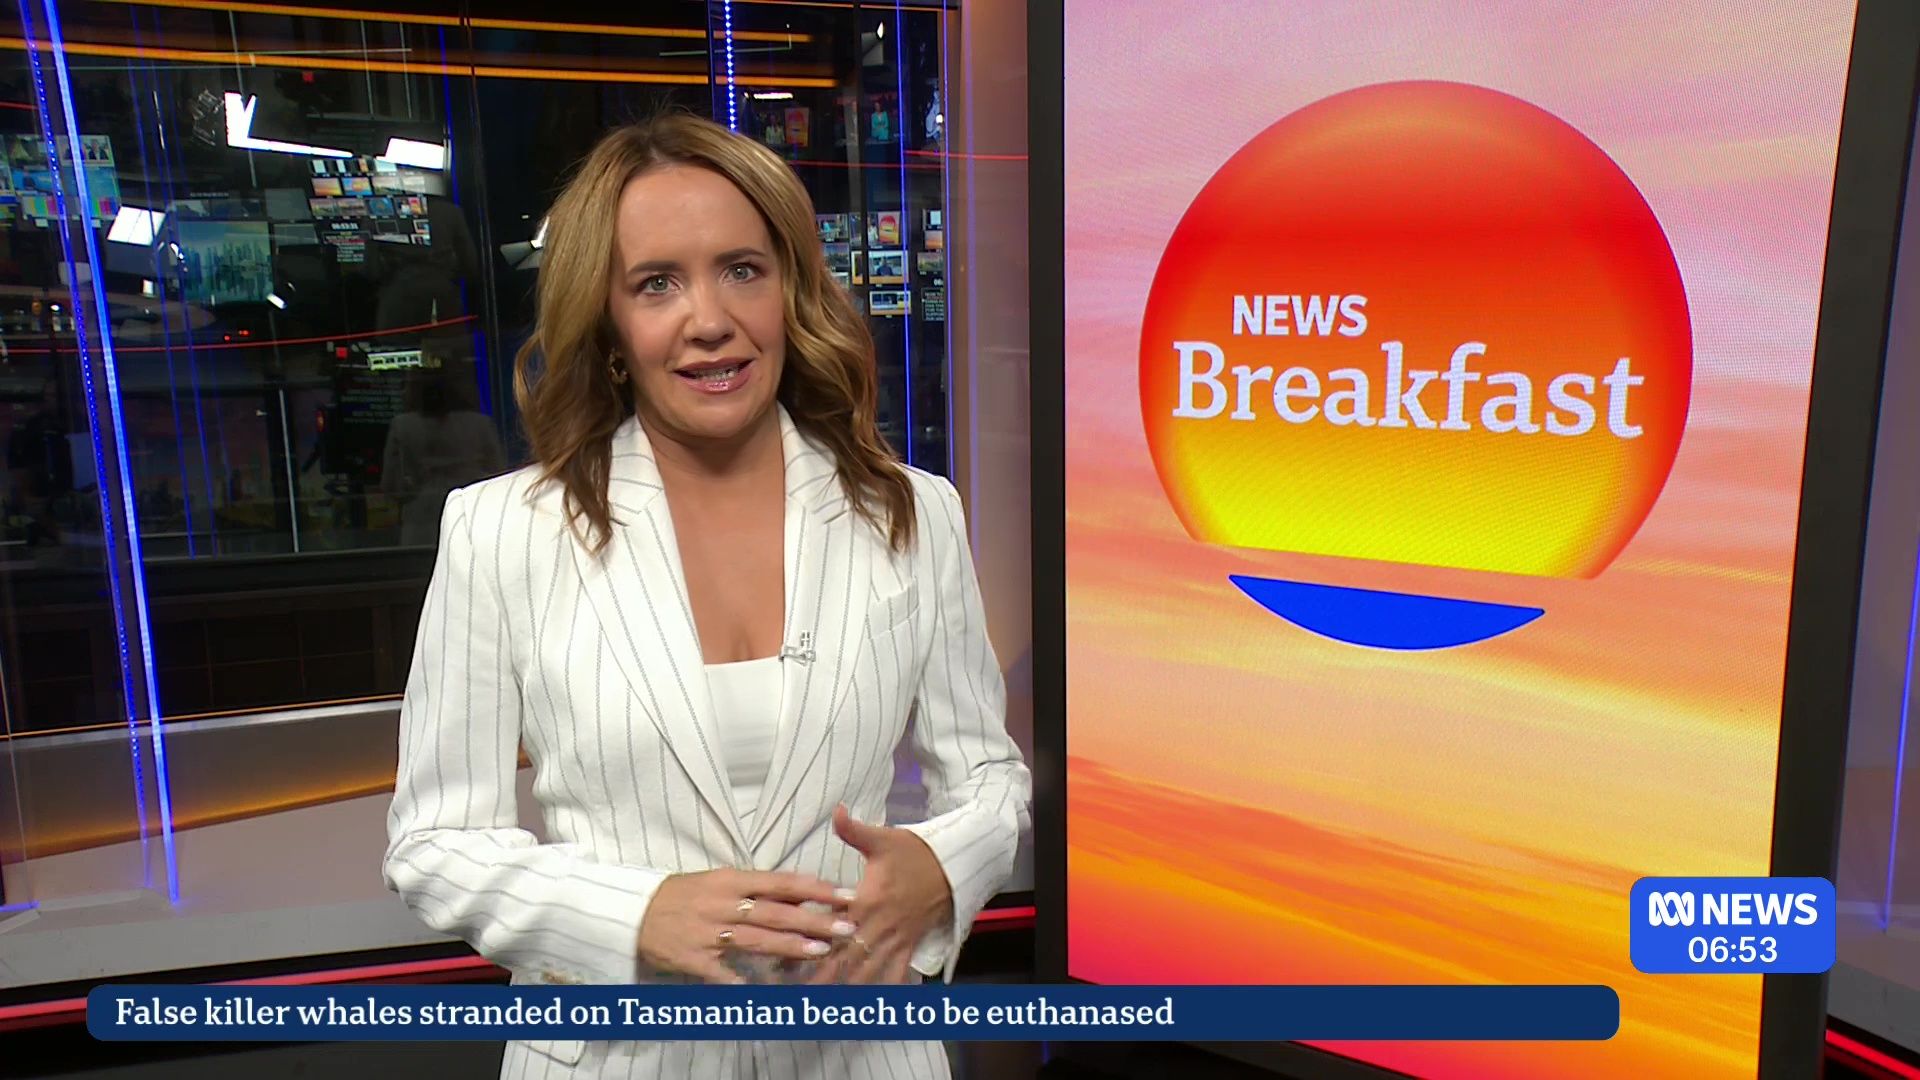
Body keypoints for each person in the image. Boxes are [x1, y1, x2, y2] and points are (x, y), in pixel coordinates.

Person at [382, 112, 1031, 1080]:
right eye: (657, 283)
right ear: (609, 324)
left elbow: (989, 777)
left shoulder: (911, 511)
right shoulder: (501, 530)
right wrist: (634, 916)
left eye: (741, 269)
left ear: (789, 291)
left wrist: (939, 869)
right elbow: (435, 844)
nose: (710, 319)